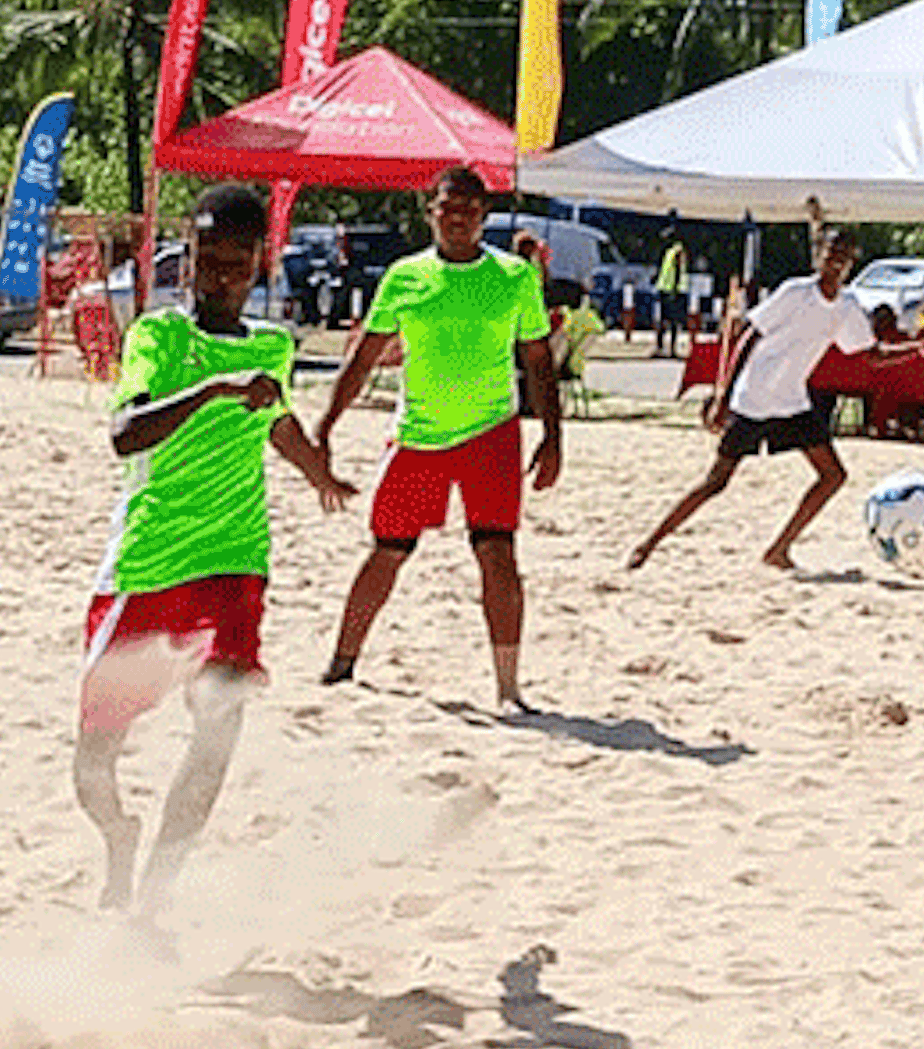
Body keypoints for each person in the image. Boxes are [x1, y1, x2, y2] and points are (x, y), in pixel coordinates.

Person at [74, 184, 354, 914]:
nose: (222, 276)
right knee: (93, 766)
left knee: (219, 723)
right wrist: (212, 389)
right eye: (209, 260)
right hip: (146, 565)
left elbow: (277, 420)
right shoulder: (160, 339)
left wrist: (316, 467)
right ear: (188, 259)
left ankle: (159, 892)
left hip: (235, 564)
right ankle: (119, 838)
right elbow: (124, 434)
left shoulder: (273, 346)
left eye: (237, 262)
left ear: (261, 263)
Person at [312, 164, 563, 710]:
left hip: (492, 431)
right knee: (387, 552)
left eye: (469, 210)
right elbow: (363, 357)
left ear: (484, 218)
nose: (457, 219)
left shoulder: (515, 277)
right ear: (430, 213)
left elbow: (538, 359)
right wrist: (326, 424)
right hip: (419, 434)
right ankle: (341, 663)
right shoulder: (405, 276)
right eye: (447, 208)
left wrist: (553, 435)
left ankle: (508, 688)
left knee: (498, 555)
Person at [630, 227, 889, 570]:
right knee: (715, 482)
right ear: (819, 256)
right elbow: (749, 335)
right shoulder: (795, 292)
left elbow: (870, 355)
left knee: (833, 475)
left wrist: (915, 349)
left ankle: (779, 549)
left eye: (843, 255)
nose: (835, 260)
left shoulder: (846, 307)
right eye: (830, 253)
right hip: (754, 397)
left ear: (851, 263)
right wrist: (723, 394)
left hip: (792, 402)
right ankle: (648, 544)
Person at [651, 239, 689, 355]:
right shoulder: (673, 251)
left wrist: (674, 289)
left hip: (670, 290)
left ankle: (665, 348)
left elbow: (676, 270)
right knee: (667, 321)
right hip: (669, 290)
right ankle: (665, 348)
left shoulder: (674, 250)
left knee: (668, 322)